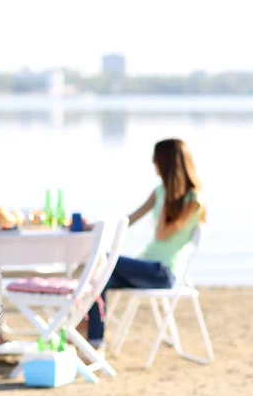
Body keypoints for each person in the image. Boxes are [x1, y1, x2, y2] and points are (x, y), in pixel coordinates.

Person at [86, 138, 206, 350]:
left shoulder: (192, 199)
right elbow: (130, 219)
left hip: (163, 273)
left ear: (167, 162)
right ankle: (94, 342)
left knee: (102, 259)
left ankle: (83, 332)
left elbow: (161, 235)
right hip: (146, 267)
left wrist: (169, 198)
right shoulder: (159, 191)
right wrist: (98, 226)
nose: (153, 162)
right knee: (97, 280)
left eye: (156, 157)